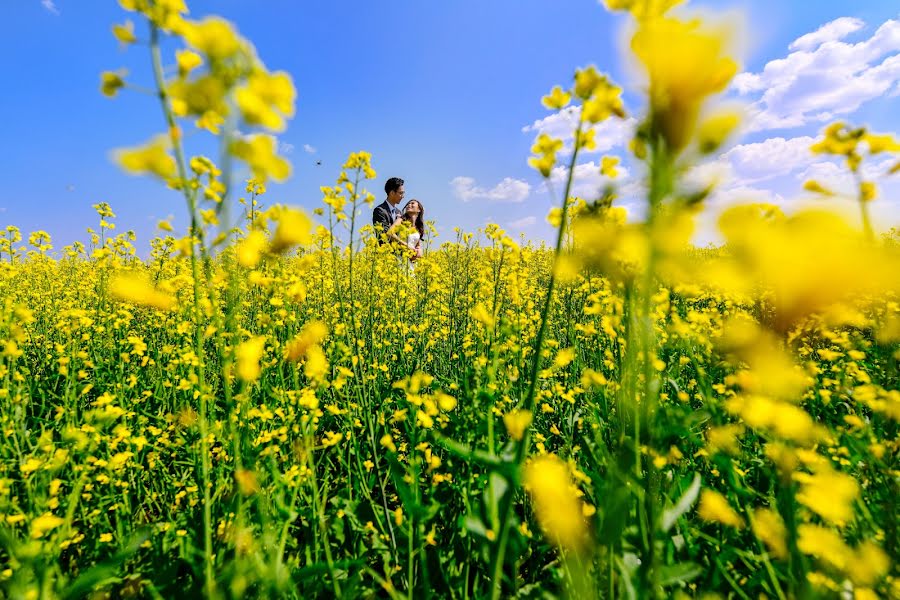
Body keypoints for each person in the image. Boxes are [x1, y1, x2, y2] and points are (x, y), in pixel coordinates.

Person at [388, 199, 425, 267]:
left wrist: (419, 251)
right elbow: (390, 233)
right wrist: (406, 245)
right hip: (400, 259)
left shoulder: (418, 227)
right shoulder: (401, 220)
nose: (409, 205)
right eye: (408, 204)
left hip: (412, 261)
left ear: (419, 209)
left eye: (412, 203)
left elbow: (417, 244)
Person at [373, 177, 405, 244]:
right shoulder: (379, 210)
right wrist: (405, 245)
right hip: (384, 253)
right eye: (401, 193)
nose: (403, 196)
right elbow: (384, 234)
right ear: (392, 193)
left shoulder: (399, 213)